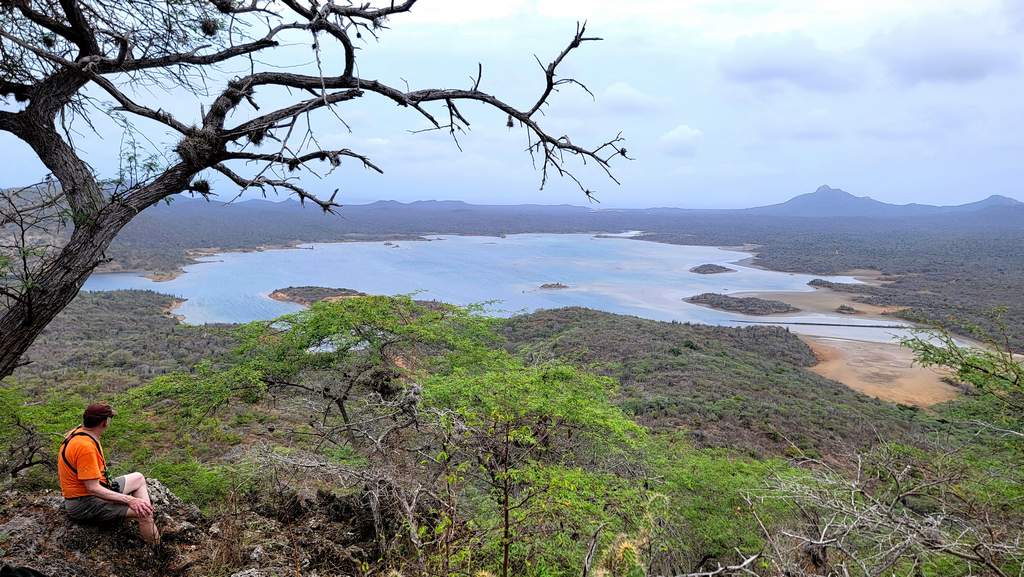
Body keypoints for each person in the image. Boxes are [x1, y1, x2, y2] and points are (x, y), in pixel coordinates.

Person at [57, 402, 160, 544]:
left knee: (138, 478)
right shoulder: (85, 447)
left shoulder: (79, 432)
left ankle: (144, 511)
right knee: (145, 514)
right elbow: (92, 488)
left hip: (99, 489)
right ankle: (155, 547)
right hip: (83, 503)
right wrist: (131, 500)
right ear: (104, 423)